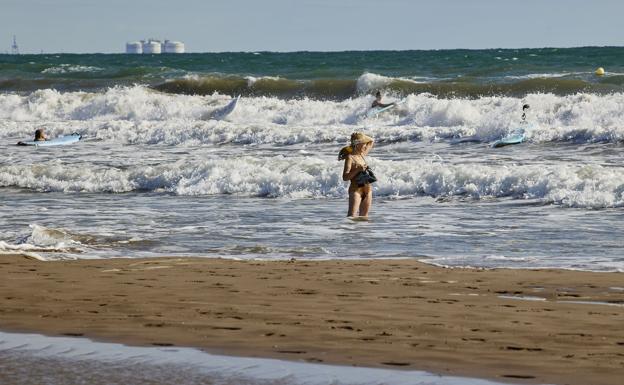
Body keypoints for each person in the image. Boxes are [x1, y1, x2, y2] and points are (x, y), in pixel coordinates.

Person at [338, 132, 377, 217]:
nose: (366, 146)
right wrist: (357, 170)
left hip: (368, 190)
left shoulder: (362, 154)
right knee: (351, 216)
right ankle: (349, 230)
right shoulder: (350, 158)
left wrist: (361, 137)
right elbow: (345, 177)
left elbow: (371, 141)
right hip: (355, 190)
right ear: (358, 145)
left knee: (364, 217)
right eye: (363, 144)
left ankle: (360, 231)